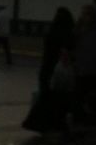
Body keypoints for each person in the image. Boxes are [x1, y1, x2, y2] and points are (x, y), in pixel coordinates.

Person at [22, 7, 75, 135]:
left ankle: (41, 124)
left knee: (46, 96)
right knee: (59, 98)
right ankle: (56, 124)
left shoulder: (52, 31)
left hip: (47, 69)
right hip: (62, 73)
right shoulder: (70, 34)